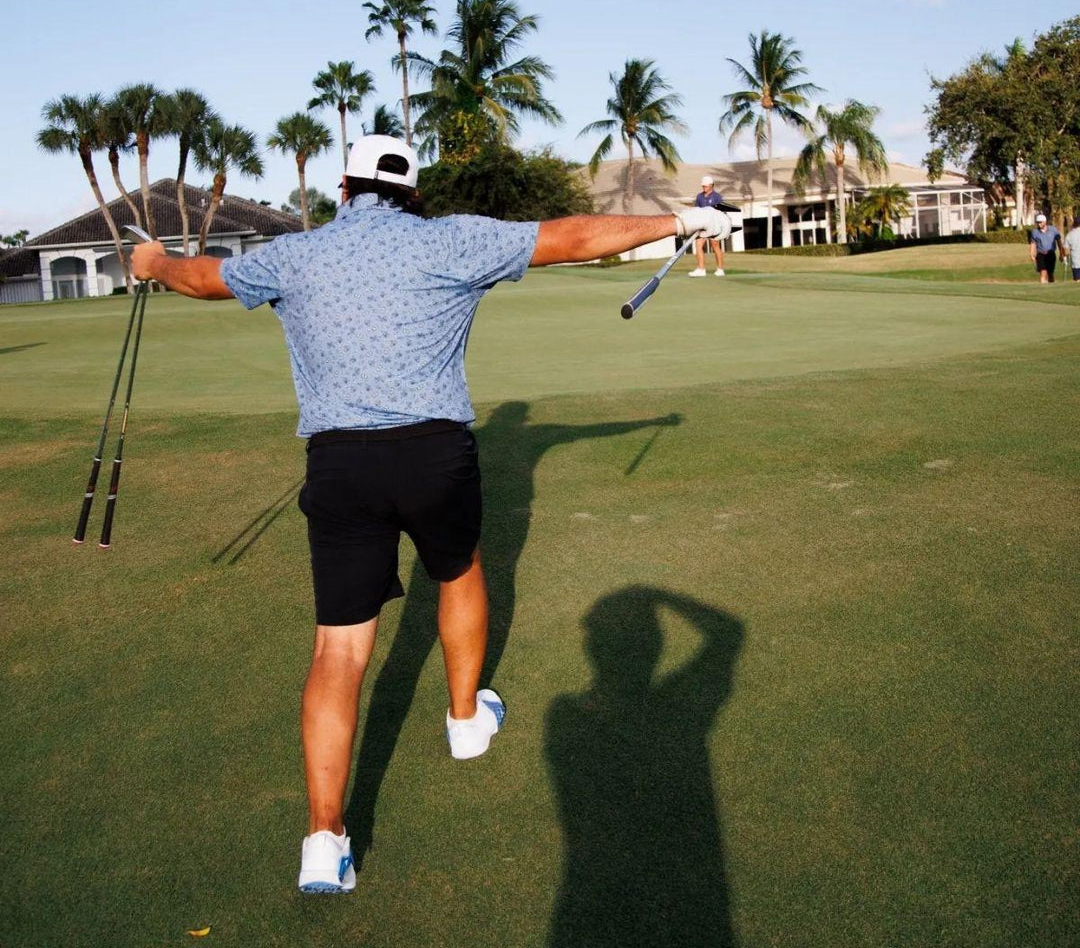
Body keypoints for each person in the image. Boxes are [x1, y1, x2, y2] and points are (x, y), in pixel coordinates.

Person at [129, 135, 727, 894]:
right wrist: (679, 223)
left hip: (340, 464)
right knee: (460, 568)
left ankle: (323, 838)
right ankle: (465, 722)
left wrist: (151, 263)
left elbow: (203, 278)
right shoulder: (452, 237)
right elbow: (570, 237)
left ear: (344, 189)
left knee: (338, 653)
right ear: (413, 190)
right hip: (434, 455)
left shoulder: (296, 254)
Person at [688, 176, 730, 277]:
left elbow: (722, 212)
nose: (704, 188)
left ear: (711, 186)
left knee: (715, 245)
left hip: (714, 225)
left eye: (706, 186)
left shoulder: (717, 197)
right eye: (703, 186)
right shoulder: (699, 197)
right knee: (698, 245)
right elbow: (697, 210)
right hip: (702, 225)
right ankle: (701, 269)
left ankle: (720, 269)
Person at [1029, 213, 1066, 284]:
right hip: (1041, 254)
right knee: (1043, 272)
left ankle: (1051, 289)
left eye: (1040, 222)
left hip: (1051, 254)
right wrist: (1032, 255)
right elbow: (1033, 244)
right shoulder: (1035, 232)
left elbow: (1059, 242)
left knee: (1050, 273)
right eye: (1038, 223)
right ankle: (1042, 289)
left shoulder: (1053, 230)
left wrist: (1061, 253)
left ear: (1045, 222)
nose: (1039, 224)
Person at [1063, 214, 1080, 283]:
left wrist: (1065, 258)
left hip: (1076, 263)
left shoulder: (1070, 235)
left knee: (1077, 282)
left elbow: (1066, 251)